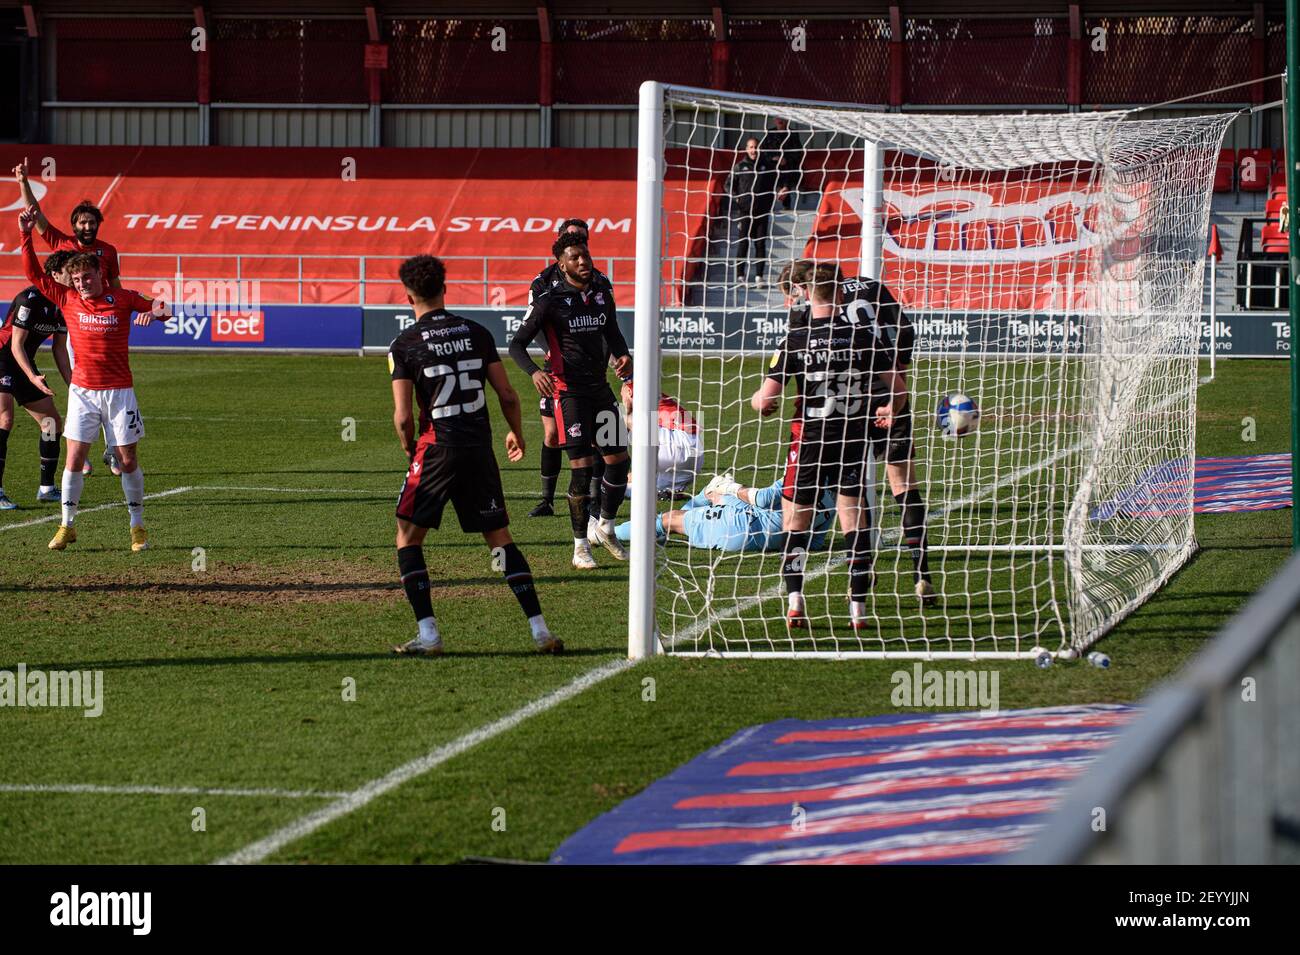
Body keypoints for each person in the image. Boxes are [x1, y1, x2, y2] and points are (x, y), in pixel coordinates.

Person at [388, 254, 560, 656]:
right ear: (444, 289)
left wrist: (409, 448)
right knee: (499, 539)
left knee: (408, 538)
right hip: (478, 449)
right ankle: (539, 630)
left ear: (408, 295)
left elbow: (401, 417)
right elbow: (507, 394)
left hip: (437, 449)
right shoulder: (477, 332)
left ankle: (429, 635)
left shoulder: (405, 345)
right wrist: (516, 433)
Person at [17, 205, 167, 552]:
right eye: (77, 279)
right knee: (73, 458)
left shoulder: (123, 298)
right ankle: (67, 526)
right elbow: (34, 273)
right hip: (83, 393)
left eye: (87, 278)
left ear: (100, 274)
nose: (82, 284)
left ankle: (137, 526)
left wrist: (154, 314)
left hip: (119, 394)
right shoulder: (67, 298)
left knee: (127, 460)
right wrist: (25, 235)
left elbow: (163, 306)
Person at [750, 263, 884, 631]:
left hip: (809, 439)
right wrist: (887, 409)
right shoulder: (864, 336)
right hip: (851, 437)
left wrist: (761, 403)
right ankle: (858, 609)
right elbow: (896, 390)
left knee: (796, 522)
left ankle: (795, 601)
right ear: (842, 292)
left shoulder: (795, 337)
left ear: (806, 293)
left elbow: (765, 400)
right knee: (853, 522)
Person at [509, 235, 632, 569]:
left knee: (619, 460)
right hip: (569, 395)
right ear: (561, 264)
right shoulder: (549, 300)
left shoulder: (602, 293)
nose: (583, 261)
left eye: (585, 255)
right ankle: (580, 547)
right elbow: (517, 345)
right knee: (582, 470)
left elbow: (614, 333)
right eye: (575, 257)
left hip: (600, 390)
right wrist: (535, 372)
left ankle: (605, 527)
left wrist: (623, 356)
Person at [15, 157, 125, 478]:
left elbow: (116, 290)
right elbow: (36, 216)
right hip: (72, 328)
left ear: (98, 224)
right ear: (74, 225)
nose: (87, 227)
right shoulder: (62, 243)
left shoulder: (109, 252)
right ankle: (80, 453)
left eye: (92, 222)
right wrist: (24, 181)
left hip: (101, 330)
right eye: (82, 222)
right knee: (82, 391)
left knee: (111, 391)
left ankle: (111, 451)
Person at [526, 218, 615, 519]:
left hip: (594, 377)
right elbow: (530, 329)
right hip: (558, 373)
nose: (579, 249)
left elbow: (609, 328)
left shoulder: (601, 282)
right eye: (572, 240)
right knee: (552, 435)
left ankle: (597, 509)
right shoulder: (543, 284)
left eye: (583, 242)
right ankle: (547, 500)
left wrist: (616, 357)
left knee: (602, 443)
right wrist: (550, 356)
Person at [0, 250, 74, 509]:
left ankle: (46, 488)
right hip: (3, 357)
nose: (76, 277)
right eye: (70, 271)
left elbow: (59, 349)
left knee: (52, 423)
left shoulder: (65, 305)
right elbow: (16, 345)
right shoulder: (29, 299)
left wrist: (75, 385)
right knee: (5, 419)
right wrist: (32, 376)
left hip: (23, 365)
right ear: (55, 274)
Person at [615, 473, 835, 553]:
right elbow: (814, 544)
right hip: (762, 534)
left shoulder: (804, 470)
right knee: (714, 498)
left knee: (669, 519)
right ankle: (712, 491)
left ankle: (604, 533)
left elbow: (763, 499)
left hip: (739, 526)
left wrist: (732, 490)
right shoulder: (835, 500)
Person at [618, 379, 702, 501]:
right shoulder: (655, 400)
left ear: (629, 392)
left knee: (624, 419)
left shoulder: (639, 390)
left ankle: (605, 476)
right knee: (635, 488)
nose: (622, 399)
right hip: (695, 460)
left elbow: (628, 374)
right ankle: (667, 491)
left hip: (678, 445)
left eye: (622, 395)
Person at [725, 138, 778, 287]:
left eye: (756, 147)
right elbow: (728, 185)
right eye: (751, 147)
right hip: (745, 211)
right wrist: (737, 199)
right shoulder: (740, 166)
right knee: (743, 243)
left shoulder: (767, 166)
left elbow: (776, 182)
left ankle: (759, 277)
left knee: (760, 244)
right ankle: (740, 276)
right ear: (746, 149)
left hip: (762, 211)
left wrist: (779, 191)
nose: (753, 150)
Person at [760, 118, 804, 210]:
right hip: (772, 167)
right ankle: (771, 202)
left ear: (788, 120)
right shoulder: (769, 133)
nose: (780, 120)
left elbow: (799, 153)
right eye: (778, 118)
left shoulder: (793, 134)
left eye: (783, 118)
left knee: (788, 172)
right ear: (774, 120)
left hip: (789, 168)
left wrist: (786, 159)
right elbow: (763, 152)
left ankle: (785, 195)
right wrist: (773, 158)